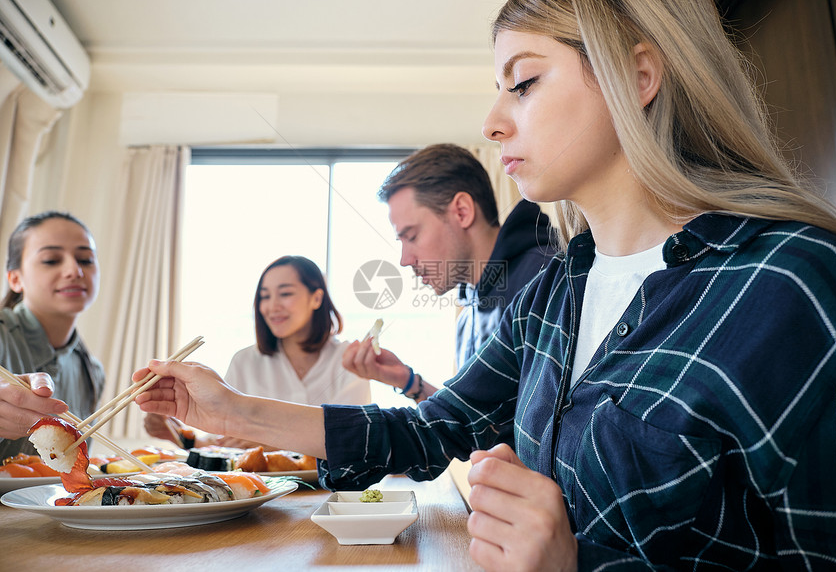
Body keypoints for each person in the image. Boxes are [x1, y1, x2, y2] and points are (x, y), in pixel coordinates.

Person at [133, 0, 836, 569]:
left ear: (639, 76)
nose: (493, 121)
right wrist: (233, 414)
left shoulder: (795, 285)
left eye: (525, 83)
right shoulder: (556, 293)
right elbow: (433, 428)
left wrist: (579, 563)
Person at [343, 143, 554, 403]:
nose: (404, 260)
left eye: (412, 236)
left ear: (462, 212)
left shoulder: (546, 280)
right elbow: (475, 425)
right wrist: (408, 382)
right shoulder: (467, 317)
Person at [144, 255, 371, 449]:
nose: (272, 306)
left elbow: (357, 440)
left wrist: (271, 440)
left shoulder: (350, 359)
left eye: (285, 293)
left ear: (316, 298)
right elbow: (225, 443)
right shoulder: (245, 361)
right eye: (264, 296)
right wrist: (179, 436)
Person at [0, 211, 103, 460]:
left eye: (85, 259)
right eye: (51, 260)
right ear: (15, 279)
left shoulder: (92, 371)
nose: (74, 270)